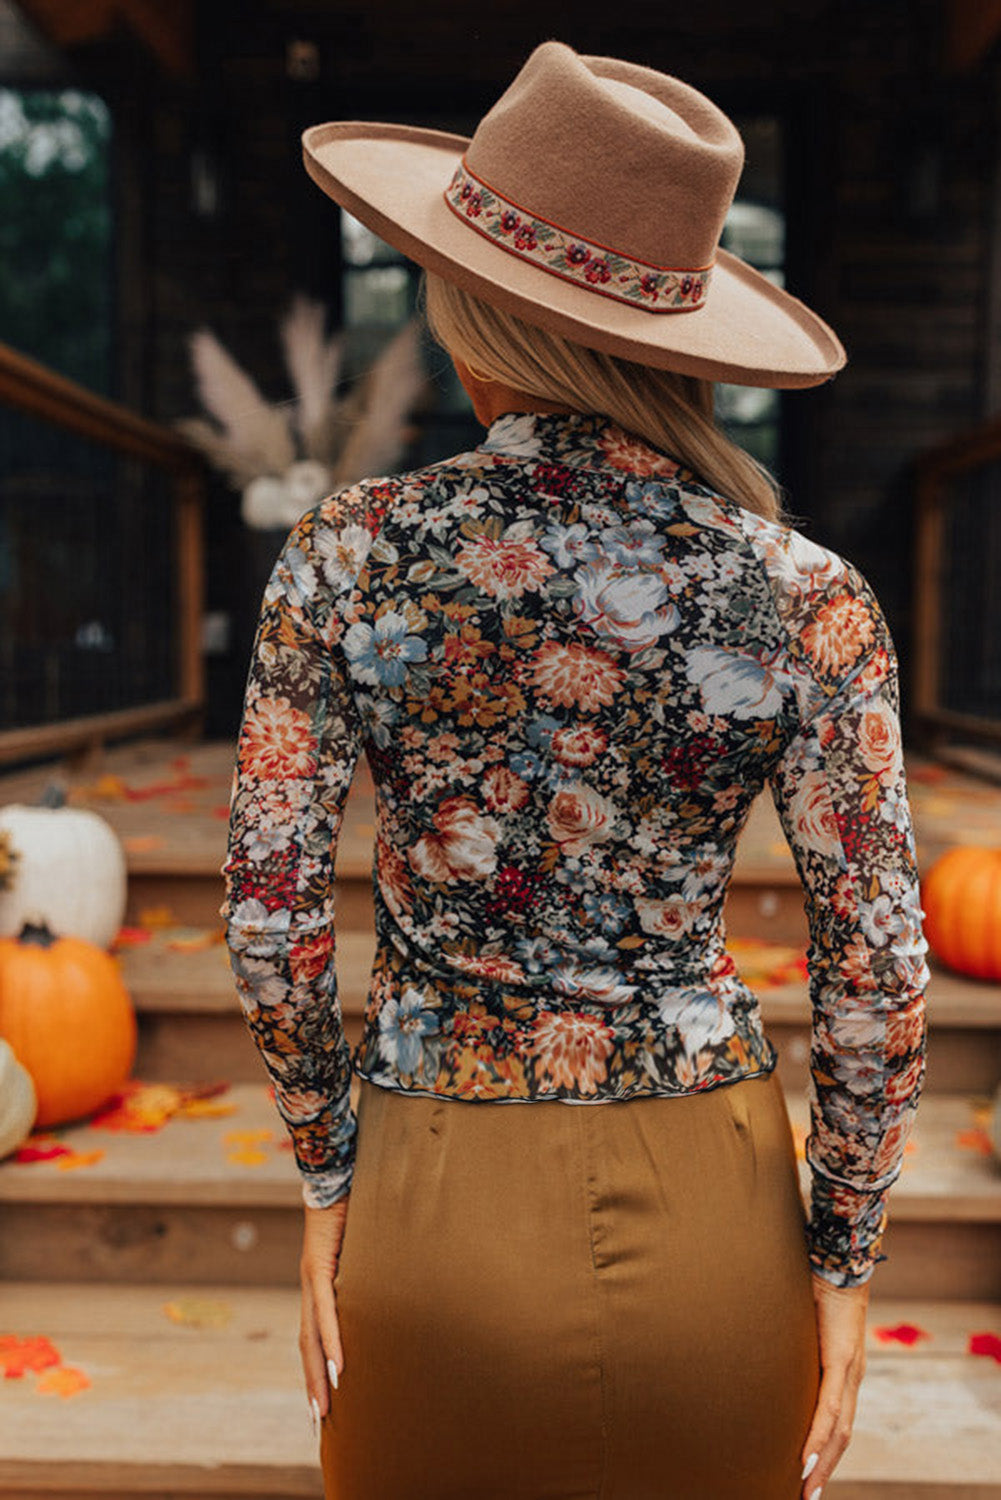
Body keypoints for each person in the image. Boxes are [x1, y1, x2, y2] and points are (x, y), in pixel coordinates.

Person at [219, 39, 930, 1500]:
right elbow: (877, 969)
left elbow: (270, 918)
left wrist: (323, 1170)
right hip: (715, 1225)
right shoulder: (807, 595)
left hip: (423, 1208)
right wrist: (843, 1258)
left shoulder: (346, 554)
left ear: (473, 299)